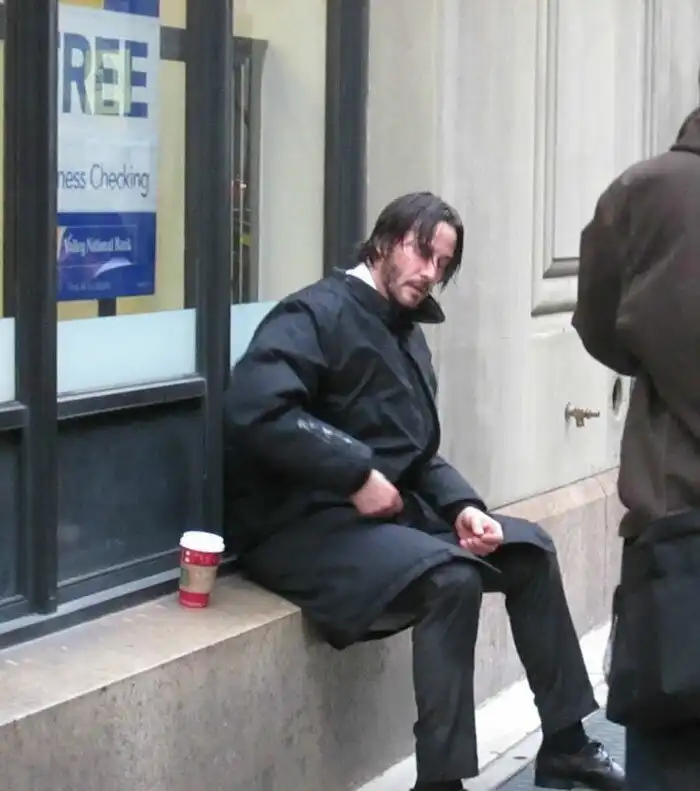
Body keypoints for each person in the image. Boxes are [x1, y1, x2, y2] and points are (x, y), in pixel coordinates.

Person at [224, 191, 624, 791]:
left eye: (442, 264)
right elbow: (257, 410)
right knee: (451, 579)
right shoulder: (312, 314)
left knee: (529, 550)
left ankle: (566, 743)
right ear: (385, 241)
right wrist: (354, 474)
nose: (430, 272)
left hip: (379, 524)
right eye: (421, 252)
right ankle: (441, 782)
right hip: (301, 527)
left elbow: (415, 451)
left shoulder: (405, 328)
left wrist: (463, 507)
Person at [573, 107, 700, 789]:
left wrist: (655, 358)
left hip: (676, 515)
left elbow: (598, 323)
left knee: (669, 734)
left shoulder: (642, 193)